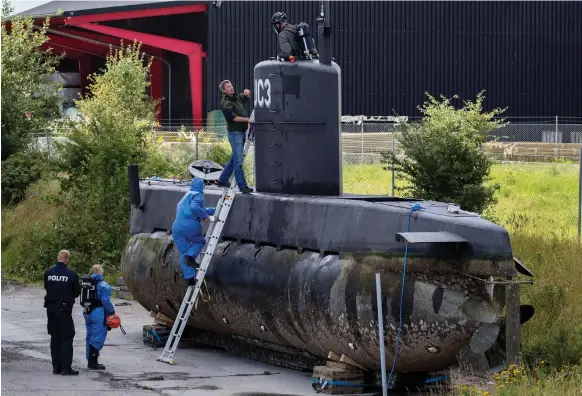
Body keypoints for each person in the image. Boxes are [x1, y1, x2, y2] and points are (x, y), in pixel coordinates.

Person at [172, 177, 216, 285]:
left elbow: (194, 208)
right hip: (189, 225)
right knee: (200, 242)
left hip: (176, 227)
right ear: (202, 187)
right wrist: (205, 216)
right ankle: (191, 256)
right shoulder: (197, 195)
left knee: (184, 252)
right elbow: (194, 207)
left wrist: (214, 210)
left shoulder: (185, 197)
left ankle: (190, 278)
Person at [43, 249, 81, 375]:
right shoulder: (71, 274)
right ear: (67, 259)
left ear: (58, 258)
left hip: (51, 309)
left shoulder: (48, 273)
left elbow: (47, 287)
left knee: (55, 337)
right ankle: (66, 368)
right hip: (64, 310)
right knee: (67, 337)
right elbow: (76, 292)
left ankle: (56, 367)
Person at [216, 79, 253, 194]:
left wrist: (247, 92)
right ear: (224, 91)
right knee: (238, 160)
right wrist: (247, 119)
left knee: (234, 159)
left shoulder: (234, 97)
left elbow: (244, 96)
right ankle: (242, 186)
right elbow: (233, 118)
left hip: (241, 132)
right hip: (235, 133)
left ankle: (222, 180)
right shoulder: (226, 103)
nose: (231, 88)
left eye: (231, 85)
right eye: (228, 87)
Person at [83, 264, 115, 370]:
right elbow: (105, 301)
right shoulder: (103, 285)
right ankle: (93, 362)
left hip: (87, 312)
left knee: (90, 336)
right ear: (101, 272)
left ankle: (90, 360)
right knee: (97, 337)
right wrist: (111, 311)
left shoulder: (86, 283)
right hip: (98, 313)